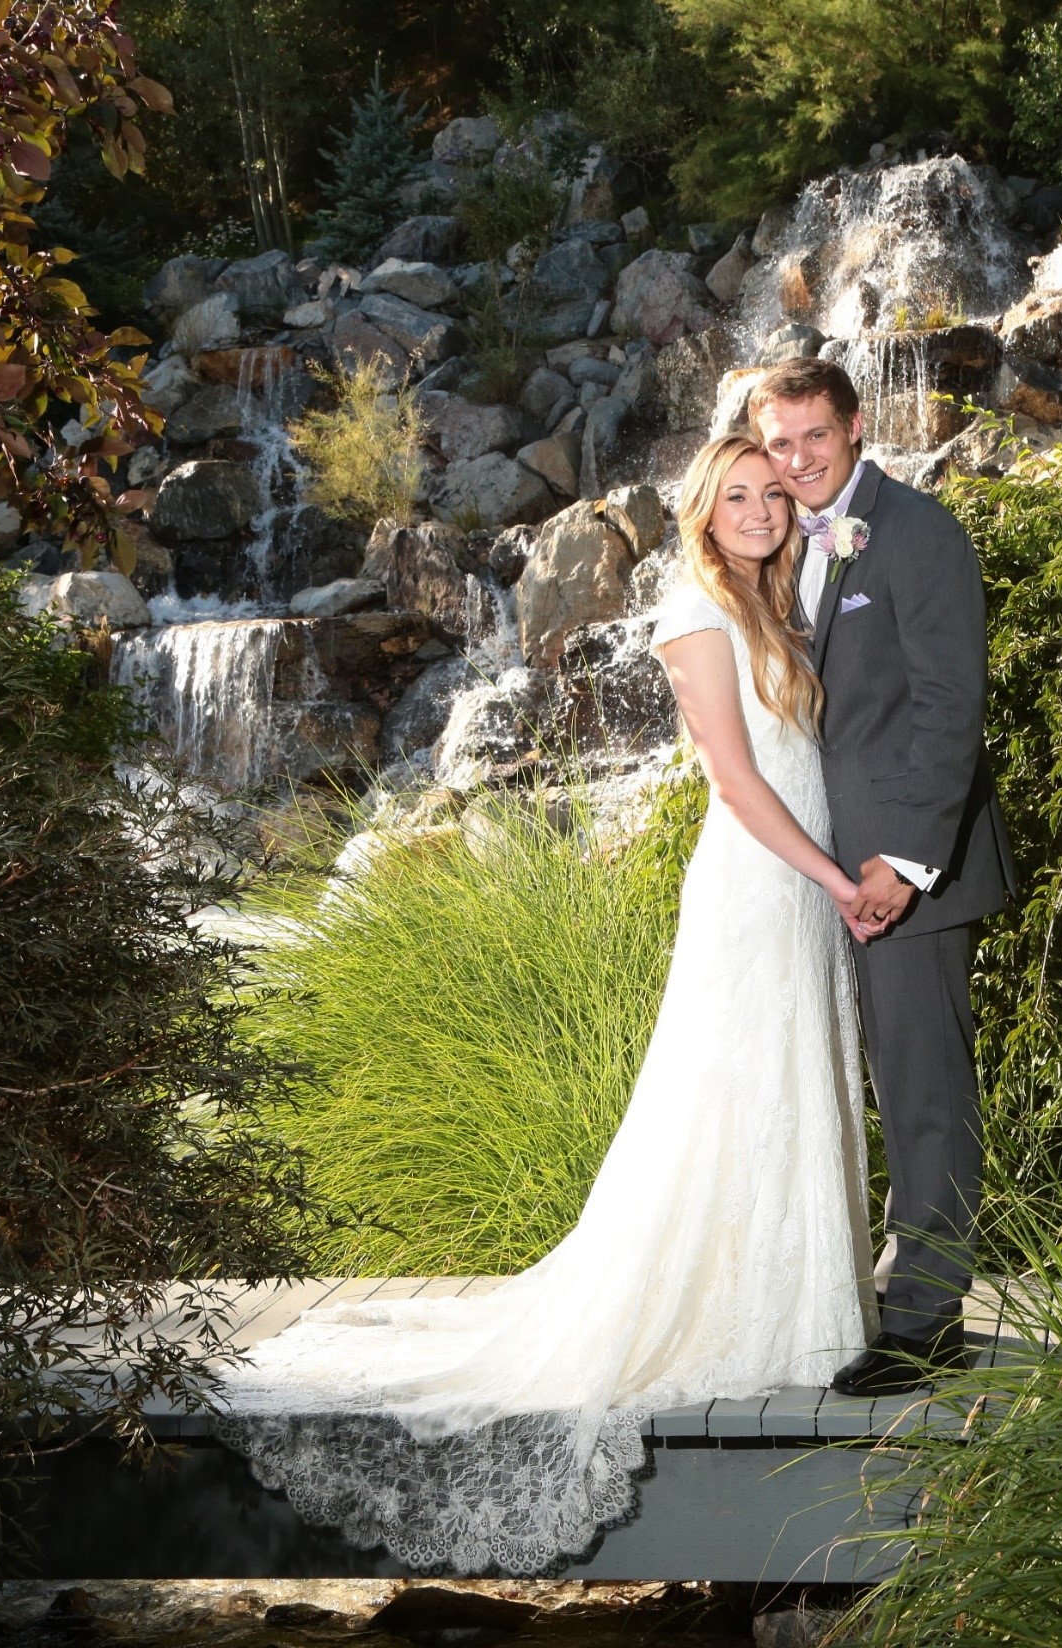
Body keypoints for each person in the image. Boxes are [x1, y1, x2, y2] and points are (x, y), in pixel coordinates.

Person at [215, 436, 880, 1576]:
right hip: (765, 883)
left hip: (808, 879)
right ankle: (750, 1313)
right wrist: (829, 878)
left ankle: (801, 1307)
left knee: (794, 1079)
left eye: (774, 494)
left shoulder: (782, 603)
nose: (762, 510)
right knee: (741, 1083)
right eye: (738, 497)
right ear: (700, 512)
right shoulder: (691, 614)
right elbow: (730, 776)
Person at [748, 357, 1017, 1398]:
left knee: (923, 1093)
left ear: (854, 428)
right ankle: (846, 1293)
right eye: (780, 442)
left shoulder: (916, 532)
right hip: (821, 869)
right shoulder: (785, 546)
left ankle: (923, 1322)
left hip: (907, 871)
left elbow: (951, 706)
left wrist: (902, 861)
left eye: (814, 435)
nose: (799, 458)